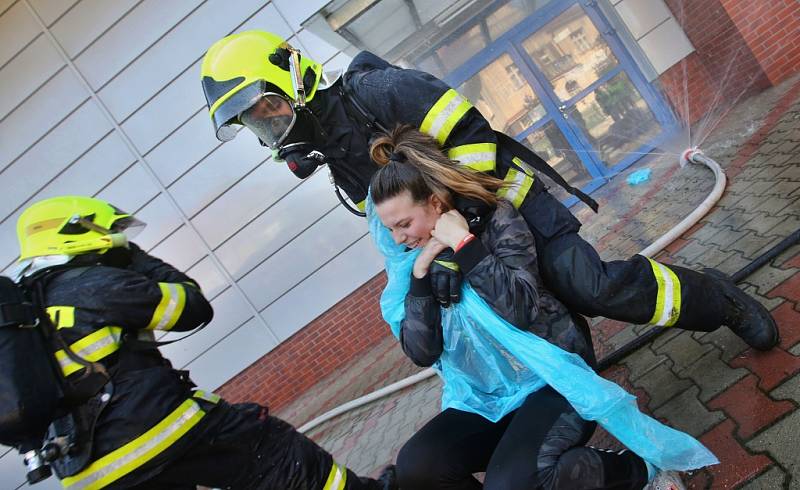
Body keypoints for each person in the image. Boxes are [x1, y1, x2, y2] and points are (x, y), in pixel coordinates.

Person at [199, 30, 778, 351]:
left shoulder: (378, 91)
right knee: (550, 331)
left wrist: (466, 223)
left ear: (292, 77)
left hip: (511, 205)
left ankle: (717, 300)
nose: (270, 125)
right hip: (468, 249)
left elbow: (473, 135)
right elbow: (394, 225)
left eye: (268, 106)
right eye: (255, 121)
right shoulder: (333, 158)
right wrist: (432, 261)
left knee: (591, 285)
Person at [368, 125, 713, 490]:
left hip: (553, 374)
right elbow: (423, 351)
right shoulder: (410, 264)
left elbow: (520, 309)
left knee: (510, 485)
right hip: (489, 395)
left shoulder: (495, 220)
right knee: (418, 466)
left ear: (435, 204)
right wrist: (421, 276)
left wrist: (466, 246)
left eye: (404, 224)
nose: (399, 238)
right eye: (390, 229)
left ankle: (638, 470)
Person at [13, 195, 397, 490]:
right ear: (82, 232)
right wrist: (137, 258)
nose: (118, 242)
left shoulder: (27, 311)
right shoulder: (90, 284)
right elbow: (191, 307)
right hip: (154, 434)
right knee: (274, 452)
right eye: (114, 235)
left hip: (85, 475)